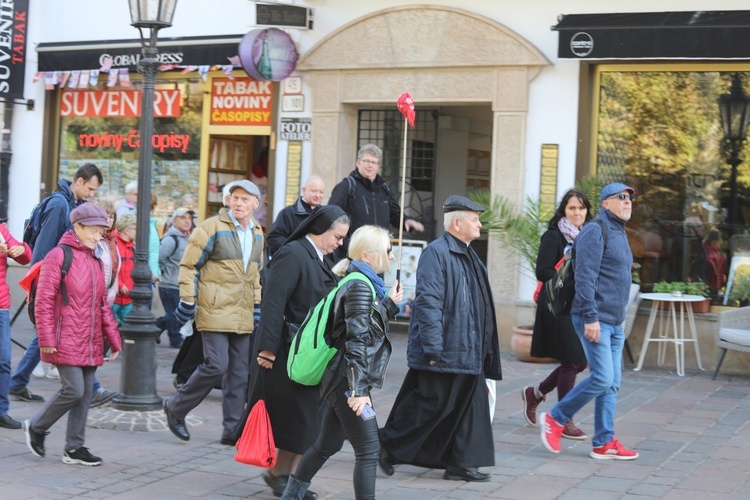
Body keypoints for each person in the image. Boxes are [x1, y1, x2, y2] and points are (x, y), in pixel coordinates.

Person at [379, 195, 502, 482]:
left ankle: (461, 462)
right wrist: (433, 347)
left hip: (469, 350)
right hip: (447, 349)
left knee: (470, 410)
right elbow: (428, 302)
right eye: (475, 219)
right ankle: (386, 443)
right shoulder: (437, 253)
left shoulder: (469, 254)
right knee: (430, 406)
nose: (480, 224)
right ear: (457, 223)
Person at [280, 225, 402, 500]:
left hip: (341, 377)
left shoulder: (359, 281)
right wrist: (359, 391)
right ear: (369, 255)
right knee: (369, 450)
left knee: (327, 444)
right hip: (346, 380)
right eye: (388, 251)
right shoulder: (360, 286)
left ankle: (290, 496)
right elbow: (357, 341)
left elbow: (362, 328)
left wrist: (389, 305)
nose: (392, 256)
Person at [252, 205, 350, 499]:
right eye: (338, 236)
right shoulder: (293, 253)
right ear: (320, 228)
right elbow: (273, 302)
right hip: (286, 350)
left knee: (304, 420)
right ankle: (280, 476)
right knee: (298, 420)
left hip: (308, 352)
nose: (340, 243)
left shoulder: (320, 257)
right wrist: (267, 348)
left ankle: (286, 477)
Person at [540, 182, 639, 460]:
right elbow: (585, 278)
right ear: (606, 204)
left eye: (630, 197)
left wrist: (620, 317)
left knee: (613, 382)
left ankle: (603, 441)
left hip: (614, 322)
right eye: (621, 197)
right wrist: (591, 318)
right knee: (602, 377)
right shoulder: (596, 231)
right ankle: (556, 418)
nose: (627, 201)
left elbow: (616, 279)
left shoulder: (619, 232)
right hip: (593, 319)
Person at [163, 180, 264, 444]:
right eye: (235, 198)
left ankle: (231, 430)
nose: (239, 203)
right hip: (215, 308)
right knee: (216, 365)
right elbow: (188, 266)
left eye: (245, 199)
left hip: (242, 313)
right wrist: (187, 300)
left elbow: (255, 276)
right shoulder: (211, 228)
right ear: (228, 201)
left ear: (256, 203)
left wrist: (257, 306)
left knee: (239, 374)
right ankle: (177, 406)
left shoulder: (257, 233)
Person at [23, 203, 122, 466]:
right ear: (77, 227)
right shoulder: (59, 255)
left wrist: (113, 339)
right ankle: (36, 426)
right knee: (74, 389)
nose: (98, 235)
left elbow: (102, 304)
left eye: (101, 230)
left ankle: (74, 448)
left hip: (90, 339)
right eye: (93, 230)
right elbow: (44, 301)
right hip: (64, 336)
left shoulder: (96, 259)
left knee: (86, 393)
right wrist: (46, 341)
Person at [9, 164, 103, 404]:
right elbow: (44, 246)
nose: (92, 194)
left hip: (63, 278)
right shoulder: (60, 204)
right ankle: (93, 389)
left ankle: (18, 381)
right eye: (90, 188)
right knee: (59, 329)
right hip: (54, 279)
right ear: (79, 181)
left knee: (49, 330)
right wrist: (37, 285)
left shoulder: (74, 205)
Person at [522, 189, 592, 440]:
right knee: (573, 361)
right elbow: (542, 270)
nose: (577, 213)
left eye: (581, 208)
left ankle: (537, 393)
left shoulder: (588, 236)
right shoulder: (553, 236)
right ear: (564, 210)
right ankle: (564, 419)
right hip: (556, 304)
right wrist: (566, 282)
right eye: (572, 208)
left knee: (578, 362)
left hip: (579, 304)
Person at [328, 144, 424, 259]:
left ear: (378, 167)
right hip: (352, 256)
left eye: (374, 162)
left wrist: (406, 221)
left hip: (378, 257)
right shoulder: (346, 187)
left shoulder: (383, 190)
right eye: (366, 161)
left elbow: (395, 214)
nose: (370, 165)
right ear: (358, 162)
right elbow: (332, 218)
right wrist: (348, 245)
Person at [0, 218, 31, 429]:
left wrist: (21, 250)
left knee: (3, 359)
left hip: (1, 304)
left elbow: (23, 256)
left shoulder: (1, 229)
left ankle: (1, 411)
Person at [156, 207, 194, 348]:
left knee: (178, 313)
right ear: (174, 221)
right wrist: (163, 274)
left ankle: (156, 327)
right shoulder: (171, 239)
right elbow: (160, 258)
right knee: (175, 313)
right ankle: (176, 339)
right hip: (169, 284)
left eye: (189, 218)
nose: (187, 221)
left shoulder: (188, 238)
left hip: (182, 284)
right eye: (183, 218)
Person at [266, 175, 326, 257]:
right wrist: (294, 253)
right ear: (304, 190)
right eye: (314, 191)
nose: (317, 195)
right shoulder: (287, 213)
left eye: (321, 192)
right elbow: (274, 238)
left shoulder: (325, 215)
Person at [112, 214, 136, 326]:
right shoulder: (113, 244)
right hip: (114, 298)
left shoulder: (134, 247)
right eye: (135, 228)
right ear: (127, 231)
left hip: (128, 299)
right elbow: (110, 269)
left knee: (129, 330)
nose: (138, 232)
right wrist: (120, 285)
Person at [703, 228, 727, 293]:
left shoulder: (714, 250)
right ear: (714, 241)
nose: (721, 242)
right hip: (713, 284)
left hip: (717, 283)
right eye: (720, 239)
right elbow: (711, 263)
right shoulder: (710, 251)